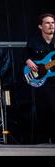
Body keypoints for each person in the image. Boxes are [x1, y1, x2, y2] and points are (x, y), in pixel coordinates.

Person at [24, 13, 55, 143]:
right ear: (40, 26)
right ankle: (44, 137)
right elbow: (25, 54)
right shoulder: (34, 41)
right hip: (42, 81)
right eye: (47, 23)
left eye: (53, 23)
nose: (51, 25)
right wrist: (28, 61)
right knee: (46, 108)